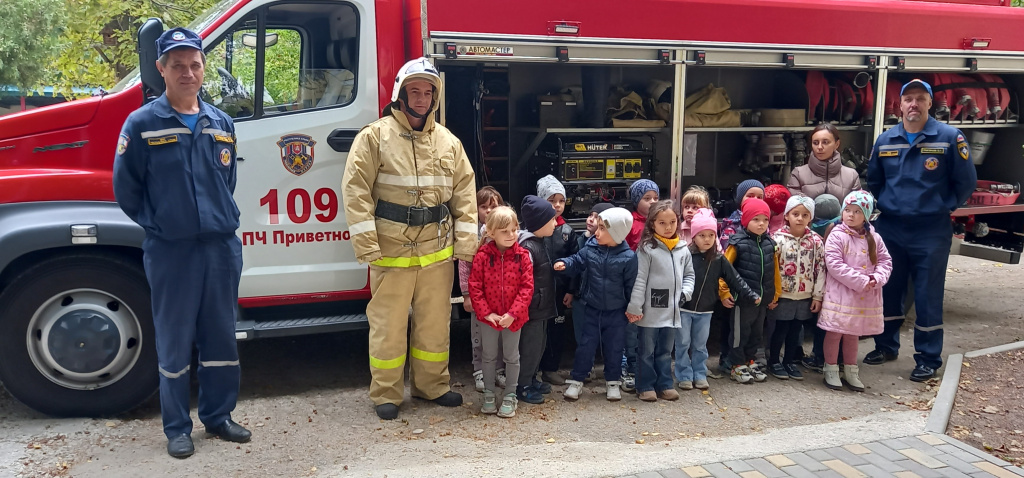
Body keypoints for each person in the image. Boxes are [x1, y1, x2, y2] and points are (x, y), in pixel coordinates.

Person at [112, 27, 251, 458]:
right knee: (174, 340)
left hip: (221, 248)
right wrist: (163, 225)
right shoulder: (141, 124)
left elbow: (226, 181)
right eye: (178, 65)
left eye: (194, 64)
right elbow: (126, 190)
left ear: (202, 68)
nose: (187, 72)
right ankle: (177, 427)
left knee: (221, 337)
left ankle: (218, 416)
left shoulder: (220, 122)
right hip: (172, 250)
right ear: (161, 69)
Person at [342, 58, 478, 420]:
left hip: (437, 252)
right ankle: (386, 392)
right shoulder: (374, 137)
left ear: (435, 97)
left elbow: (465, 193)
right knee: (388, 326)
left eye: (427, 91)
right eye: (414, 91)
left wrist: (464, 246)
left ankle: (432, 386)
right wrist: (367, 246)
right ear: (401, 95)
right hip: (390, 251)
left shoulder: (449, 141)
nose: (421, 98)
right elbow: (356, 192)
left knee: (435, 325)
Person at [865, 79, 977, 382]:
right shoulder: (885, 140)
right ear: (899, 105)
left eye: (920, 99)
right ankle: (885, 346)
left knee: (928, 295)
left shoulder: (950, 138)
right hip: (891, 227)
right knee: (888, 289)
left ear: (930, 104)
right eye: (908, 99)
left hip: (931, 230)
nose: (913, 104)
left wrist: (943, 206)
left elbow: (966, 182)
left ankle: (928, 358)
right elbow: (874, 180)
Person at [556, 208, 638, 402]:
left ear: (617, 233)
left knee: (615, 347)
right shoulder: (591, 247)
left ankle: (612, 382)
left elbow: (631, 286)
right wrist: (564, 264)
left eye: (602, 228)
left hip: (616, 312)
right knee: (585, 345)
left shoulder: (629, 257)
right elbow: (577, 261)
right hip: (592, 308)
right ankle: (577, 380)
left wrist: (632, 309)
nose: (597, 232)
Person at [678, 209, 760, 390]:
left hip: (706, 310)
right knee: (682, 343)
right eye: (702, 235)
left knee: (700, 344)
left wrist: (750, 294)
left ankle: (699, 372)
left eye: (711, 235)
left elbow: (735, 278)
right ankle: (683, 374)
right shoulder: (684, 255)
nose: (707, 239)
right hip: (684, 308)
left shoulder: (718, 258)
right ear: (694, 236)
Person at [818, 191, 893, 391]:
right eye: (847, 210)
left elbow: (885, 261)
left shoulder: (874, 238)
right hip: (841, 294)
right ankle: (831, 368)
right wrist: (861, 280)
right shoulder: (837, 236)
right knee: (835, 331)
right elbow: (834, 264)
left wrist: (877, 278)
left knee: (853, 333)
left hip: (864, 295)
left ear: (867, 215)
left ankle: (851, 369)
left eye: (857, 212)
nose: (850, 215)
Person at [626, 200, 695, 401]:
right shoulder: (647, 249)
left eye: (672, 222)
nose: (668, 227)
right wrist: (635, 307)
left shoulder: (683, 248)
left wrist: (685, 293)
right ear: (652, 224)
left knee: (665, 350)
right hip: (649, 312)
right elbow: (640, 279)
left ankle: (664, 384)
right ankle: (645, 385)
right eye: (662, 223)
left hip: (672, 311)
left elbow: (690, 275)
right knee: (646, 350)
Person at [468, 206, 533, 418]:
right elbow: (475, 286)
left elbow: (527, 288)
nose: (511, 235)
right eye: (505, 231)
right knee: (488, 356)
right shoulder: (482, 257)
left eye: (514, 230)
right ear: (491, 232)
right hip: (489, 318)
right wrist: (487, 314)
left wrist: (513, 313)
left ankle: (510, 394)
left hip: (513, 318)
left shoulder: (523, 256)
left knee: (512, 356)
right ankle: (488, 393)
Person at [718, 198, 781, 384]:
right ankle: (736, 364)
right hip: (742, 300)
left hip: (763, 300)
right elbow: (724, 270)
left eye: (765, 220)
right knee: (739, 333)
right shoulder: (737, 243)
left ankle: (749, 360)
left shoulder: (770, 244)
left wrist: (775, 294)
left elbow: (775, 271)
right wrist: (724, 292)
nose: (761, 224)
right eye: (756, 219)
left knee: (756, 334)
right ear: (745, 221)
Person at [768, 195, 825, 381]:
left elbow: (820, 268)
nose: (800, 218)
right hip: (783, 294)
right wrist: (773, 294)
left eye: (805, 215)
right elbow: (771, 268)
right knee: (781, 328)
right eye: (795, 214)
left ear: (811, 218)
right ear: (787, 216)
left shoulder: (816, 241)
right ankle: (774, 360)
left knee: (796, 329)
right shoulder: (777, 240)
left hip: (805, 294)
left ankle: (790, 361)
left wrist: (817, 296)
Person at [460, 187, 507, 393]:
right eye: (484, 207)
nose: (488, 211)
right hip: (480, 297)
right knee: (479, 335)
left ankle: (499, 370)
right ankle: (479, 370)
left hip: (502, 297)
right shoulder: (472, 235)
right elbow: (464, 265)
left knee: (501, 336)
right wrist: (467, 295)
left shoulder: (507, 233)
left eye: (494, 206)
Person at [515, 196, 559, 405]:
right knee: (529, 348)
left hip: (541, 307)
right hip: (532, 309)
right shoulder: (528, 248)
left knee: (539, 346)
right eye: (551, 220)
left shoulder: (539, 243)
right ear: (540, 223)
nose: (556, 222)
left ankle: (531, 378)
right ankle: (522, 385)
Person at [536, 175, 579, 387]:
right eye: (552, 200)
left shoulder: (568, 232)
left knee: (556, 331)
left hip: (559, 293)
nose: (557, 205)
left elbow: (575, 263)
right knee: (535, 333)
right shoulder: (533, 229)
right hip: (536, 294)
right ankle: (533, 369)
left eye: (561, 201)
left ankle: (551, 369)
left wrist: (571, 291)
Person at [623, 179, 659, 392]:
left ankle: (647, 366)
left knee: (650, 328)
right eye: (647, 198)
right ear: (636, 200)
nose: (653, 202)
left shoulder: (662, 222)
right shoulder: (630, 223)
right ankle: (629, 366)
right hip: (634, 284)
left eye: (655, 197)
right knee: (631, 327)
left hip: (656, 285)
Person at [571, 202, 615, 367]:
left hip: (602, 298)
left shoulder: (611, 246)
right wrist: (571, 291)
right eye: (590, 215)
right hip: (581, 296)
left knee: (605, 336)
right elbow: (575, 268)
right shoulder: (580, 240)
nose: (590, 220)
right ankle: (585, 367)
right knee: (582, 335)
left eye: (597, 217)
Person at [787, 123, 862, 200]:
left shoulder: (851, 176)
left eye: (825, 142)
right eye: (815, 143)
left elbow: (857, 207)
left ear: (837, 144)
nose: (819, 147)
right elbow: (795, 207)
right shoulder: (798, 174)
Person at [719, 179, 765, 251]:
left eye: (759, 197)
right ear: (740, 199)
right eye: (750, 196)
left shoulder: (764, 223)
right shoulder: (732, 227)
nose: (755, 199)